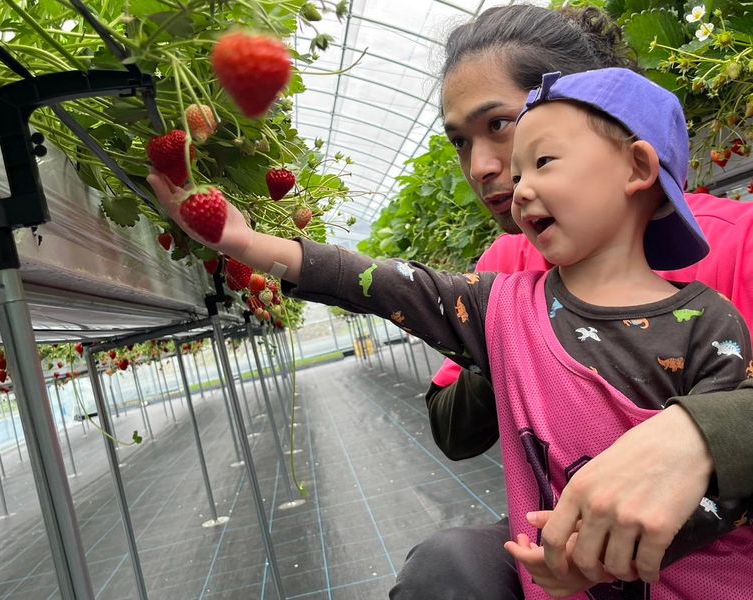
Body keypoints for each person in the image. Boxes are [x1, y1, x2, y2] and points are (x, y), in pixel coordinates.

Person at [151, 67, 753, 598]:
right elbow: (384, 283)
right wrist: (247, 243)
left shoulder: (710, 322)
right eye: (519, 174)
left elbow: (725, 486)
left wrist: (598, 562)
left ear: (638, 169)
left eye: (542, 162)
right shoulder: (504, 306)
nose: (518, 189)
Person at [413, 4, 753, 598]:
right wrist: (512, 336)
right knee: (447, 568)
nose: (482, 166)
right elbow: (453, 432)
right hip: (567, 546)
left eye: (499, 125)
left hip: (724, 554)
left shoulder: (738, 241)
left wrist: (702, 433)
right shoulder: (504, 271)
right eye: (461, 142)